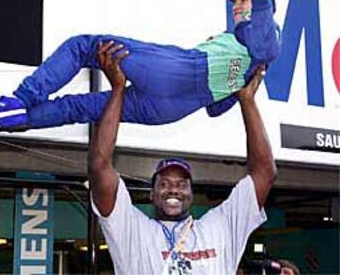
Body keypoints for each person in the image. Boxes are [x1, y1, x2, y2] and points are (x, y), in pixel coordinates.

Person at [0, 0, 280, 141]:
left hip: (177, 71)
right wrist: (243, 88)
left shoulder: (257, 35)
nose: (237, 5)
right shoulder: (249, 59)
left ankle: (17, 102)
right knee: (78, 109)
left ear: (262, 6)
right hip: (170, 110)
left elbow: (266, 39)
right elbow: (215, 110)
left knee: (84, 46)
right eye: (236, 0)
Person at [87, 40, 277, 274]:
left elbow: (264, 173)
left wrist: (247, 101)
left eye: (181, 184)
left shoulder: (221, 227)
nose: (173, 190)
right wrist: (118, 90)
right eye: (164, 184)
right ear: (151, 194)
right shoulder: (132, 232)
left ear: (192, 193)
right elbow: (99, 166)